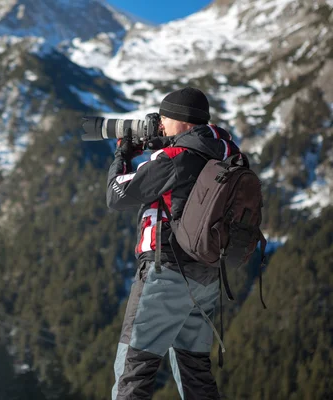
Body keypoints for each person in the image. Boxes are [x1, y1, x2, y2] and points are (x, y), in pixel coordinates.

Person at [108, 87, 240, 400]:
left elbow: (117, 195)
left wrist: (122, 156)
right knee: (194, 372)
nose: (162, 125)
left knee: (133, 369)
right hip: (206, 276)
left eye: (165, 118)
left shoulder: (174, 159)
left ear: (182, 121)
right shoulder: (225, 152)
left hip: (166, 272)